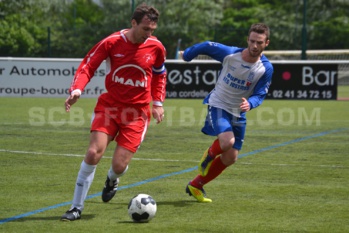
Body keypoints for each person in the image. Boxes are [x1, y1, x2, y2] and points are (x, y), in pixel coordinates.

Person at [61, 3, 167, 221]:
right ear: (133, 23)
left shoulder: (156, 47)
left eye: (152, 31)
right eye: (145, 29)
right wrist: (77, 89)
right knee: (93, 153)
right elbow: (88, 65)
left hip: (137, 113)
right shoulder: (111, 42)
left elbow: (159, 74)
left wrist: (157, 102)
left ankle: (112, 178)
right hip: (109, 107)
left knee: (119, 165)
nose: (148, 35)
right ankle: (75, 208)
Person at [181, 23, 273, 202]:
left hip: (238, 112)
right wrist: (188, 54)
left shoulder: (266, 68)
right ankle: (208, 156)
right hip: (219, 105)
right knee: (227, 141)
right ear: (247, 40)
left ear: (266, 43)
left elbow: (260, 94)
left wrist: (251, 103)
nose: (254, 46)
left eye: (259, 42)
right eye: (252, 41)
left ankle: (196, 184)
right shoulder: (231, 53)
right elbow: (207, 46)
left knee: (231, 157)